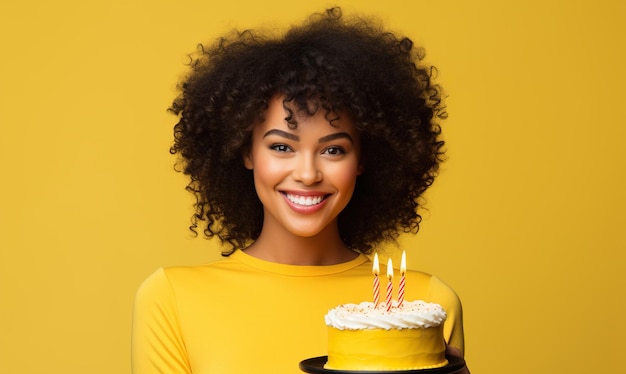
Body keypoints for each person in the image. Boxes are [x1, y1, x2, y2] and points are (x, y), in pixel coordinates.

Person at [132, 7, 469, 374]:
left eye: (333, 150)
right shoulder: (172, 298)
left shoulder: (425, 306)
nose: (308, 174)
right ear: (246, 152)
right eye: (281, 147)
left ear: (362, 159)